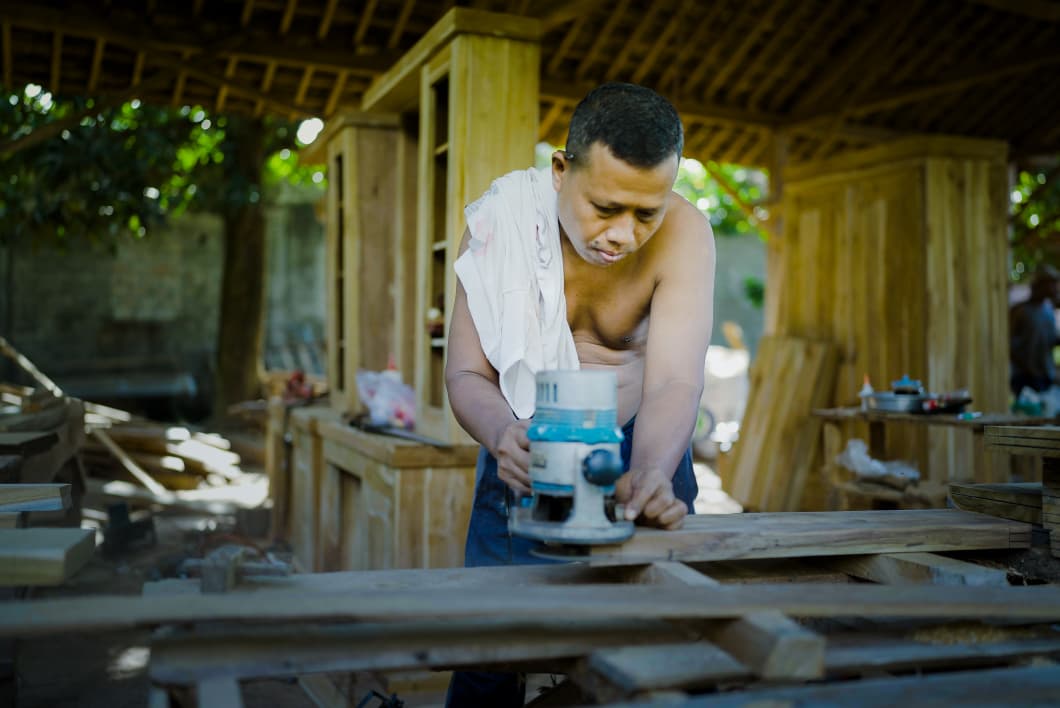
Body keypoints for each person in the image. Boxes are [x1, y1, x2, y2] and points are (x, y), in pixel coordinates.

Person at [443, 82, 715, 707]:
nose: (622, 234)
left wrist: (650, 472)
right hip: (524, 448)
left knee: (657, 648)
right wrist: (502, 435)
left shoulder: (686, 235)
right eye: (606, 207)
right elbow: (465, 377)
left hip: (644, 447)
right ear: (561, 172)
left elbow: (675, 379)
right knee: (492, 649)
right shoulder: (499, 224)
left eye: (646, 213)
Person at [1009, 265, 1059, 397]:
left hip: (1045, 376)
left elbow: (1050, 340)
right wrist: (1028, 370)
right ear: (1039, 285)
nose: (1055, 288)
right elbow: (1009, 346)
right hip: (1025, 378)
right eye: (1051, 284)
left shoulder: (1048, 310)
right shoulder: (1020, 311)